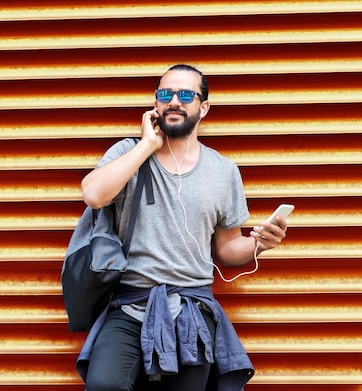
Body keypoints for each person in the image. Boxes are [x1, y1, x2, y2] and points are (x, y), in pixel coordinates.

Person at [77, 64, 288, 390]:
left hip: (192, 312)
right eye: (165, 94)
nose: (174, 101)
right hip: (129, 306)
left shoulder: (223, 170)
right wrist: (147, 145)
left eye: (186, 94)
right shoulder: (127, 152)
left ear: (203, 107)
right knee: (103, 384)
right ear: (155, 104)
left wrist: (259, 243)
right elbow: (93, 194)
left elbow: (227, 249)